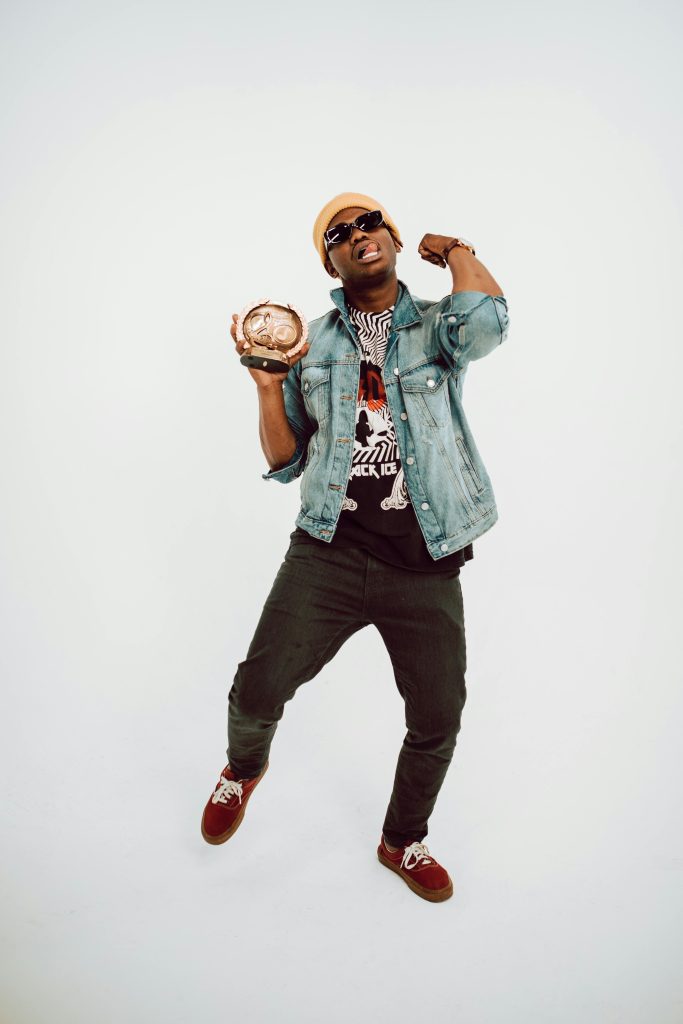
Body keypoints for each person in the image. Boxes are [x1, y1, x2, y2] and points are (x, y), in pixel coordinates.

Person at [201, 192, 509, 903]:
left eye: (369, 222)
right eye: (339, 233)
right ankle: (242, 769)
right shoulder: (311, 342)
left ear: (392, 237)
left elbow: (489, 322)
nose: (357, 234)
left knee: (436, 718)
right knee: (257, 689)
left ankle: (401, 840)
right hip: (328, 552)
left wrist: (455, 249)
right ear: (329, 260)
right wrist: (265, 384)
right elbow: (285, 463)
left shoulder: (438, 326)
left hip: (425, 558)